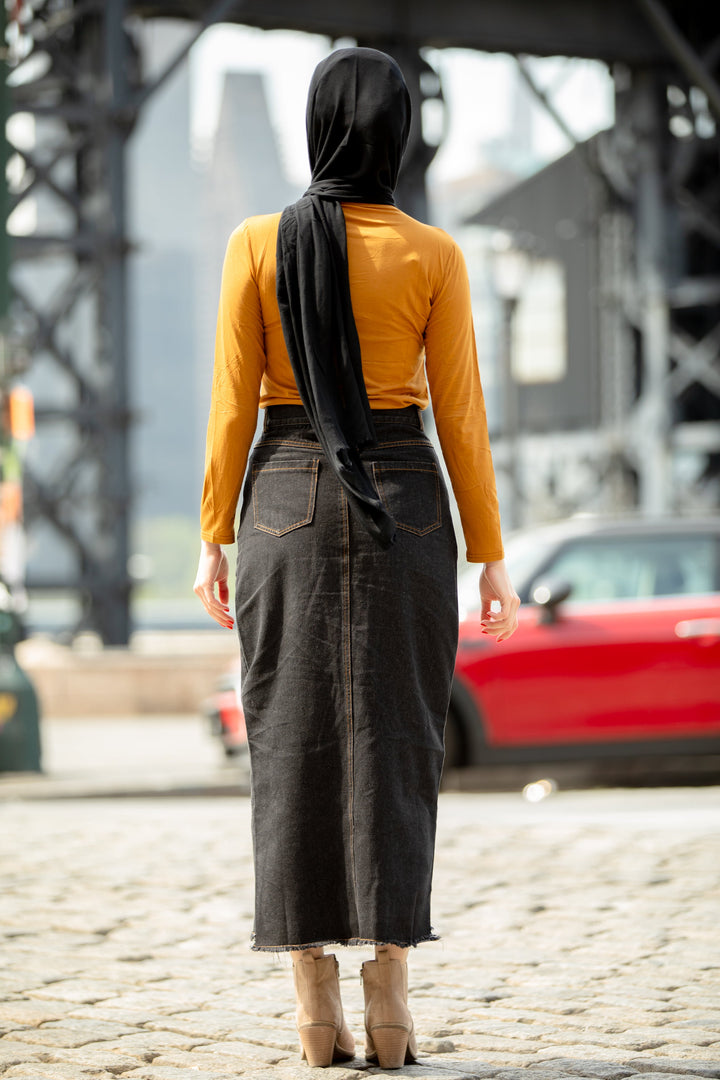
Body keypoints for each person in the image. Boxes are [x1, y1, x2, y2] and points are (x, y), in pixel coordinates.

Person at [194, 46, 519, 1070]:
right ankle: (390, 996)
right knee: (400, 734)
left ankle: (311, 1007)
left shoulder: (257, 242)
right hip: (410, 498)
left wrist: (214, 532)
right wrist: (493, 556)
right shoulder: (434, 254)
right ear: (401, 134)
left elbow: (232, 407)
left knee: (287, 737)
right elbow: (461, 413)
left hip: (282, 487)